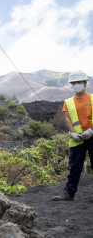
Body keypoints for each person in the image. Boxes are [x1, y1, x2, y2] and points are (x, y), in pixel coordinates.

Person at [52, 70, 93, 201]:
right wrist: (73, 134)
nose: (76, 85)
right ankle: (69, 193)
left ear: (85, 83)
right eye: (73, 83)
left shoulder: (92, 98)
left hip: (92, 136)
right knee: (74, 166)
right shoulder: (68, 102)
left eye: (78, 82)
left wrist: (90, 131)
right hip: (78, 138)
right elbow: (67, 119)